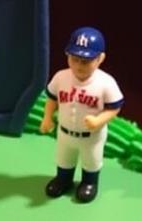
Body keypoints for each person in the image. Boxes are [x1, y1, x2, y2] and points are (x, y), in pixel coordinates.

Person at [40, 27, 124, 203]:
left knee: (91, 162)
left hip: (91, 136)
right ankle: (63, 180)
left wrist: (99, 120)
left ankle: (89, 184)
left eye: (85, 61)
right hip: (64, 133)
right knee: (64, 160)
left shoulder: (105, 82)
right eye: (74, 59)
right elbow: (52, 99)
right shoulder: (61, 77)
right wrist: (47, 117)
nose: (78, 65)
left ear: (100, 58)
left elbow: (114, 107)